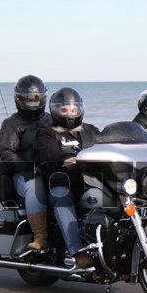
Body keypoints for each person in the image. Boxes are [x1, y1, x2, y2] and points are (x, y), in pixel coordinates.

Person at [36, 88, 99, 268]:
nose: (70, 114)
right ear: (55, 111)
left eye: (73, 109)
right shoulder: (47, 132)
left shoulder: (91, 130)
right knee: (61, 197)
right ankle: (77, 252)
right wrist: (65, 159)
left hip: (91, 182)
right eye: (64, 110)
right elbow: (48, 153)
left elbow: (109, 143)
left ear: (79, 109)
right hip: (62, 183)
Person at [0, 75, 51, 251]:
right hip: (24, 174)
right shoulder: (12, 124)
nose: (33, 103)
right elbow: (6, 152)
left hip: (50, 170)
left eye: (37, 98)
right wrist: (30, 167)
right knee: (35, 188)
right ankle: (40, 237)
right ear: (19, 99)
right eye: (29, 99)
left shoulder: (51, 120)